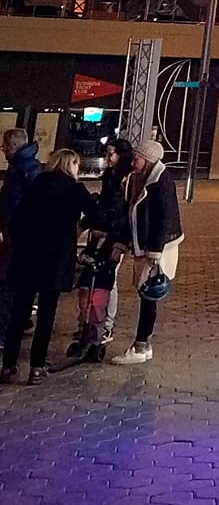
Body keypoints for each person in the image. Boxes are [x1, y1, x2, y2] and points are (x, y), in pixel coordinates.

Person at [1, 149, 97, 385]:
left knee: (19, 313)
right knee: (46, 315)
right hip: (55, 261)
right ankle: (36, 367)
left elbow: (17, 219)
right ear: (72, 165)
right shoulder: (75, 190)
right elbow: (97, 214)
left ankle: (8, 367)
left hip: (28, 257)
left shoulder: (38, 185)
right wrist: (80, 227)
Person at [110, 140, 182, 365]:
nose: (134, 162)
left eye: (138, 158)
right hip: (145, 244)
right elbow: (131, 213)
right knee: (145, 291)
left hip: (157, 247)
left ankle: (141, 345)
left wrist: (155, 252)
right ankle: (143, 344)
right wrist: (122, 242)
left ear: (149, 160)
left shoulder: (161, 182)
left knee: (149, 293)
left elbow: (164, 218)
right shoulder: (136, 179)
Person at [67, 138, 132, 355]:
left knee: (108, 280)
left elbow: (121, 210)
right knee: (93, 279)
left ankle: (104, 326)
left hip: (114, 234)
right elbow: (104, 204)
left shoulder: (126, 179)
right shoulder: (110, 177)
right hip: (101, 231)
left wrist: (117, 238)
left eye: (111, 153)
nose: (107, 157)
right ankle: (88, 324)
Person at [0, 129, 41, 348]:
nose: (4, 150)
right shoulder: (23, 167)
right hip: (16, 232)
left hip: (17, 234)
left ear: (14, 146)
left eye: (5, 146)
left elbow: (18, 202)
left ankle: (6, 329)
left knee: (8, 281)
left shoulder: (24, 169)